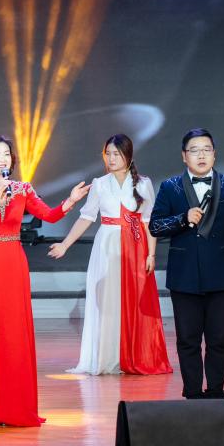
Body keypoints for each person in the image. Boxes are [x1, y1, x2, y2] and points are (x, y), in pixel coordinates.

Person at [0, 134, 90, 427]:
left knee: (11, 331)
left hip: (12, 263)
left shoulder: (22, 189)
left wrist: (70, 201)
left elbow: (49, 215)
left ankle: (11, 406)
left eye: (6, 154)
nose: (3, 159)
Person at [49, 134, 171, 376]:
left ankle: (134, 355)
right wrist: (64, 244)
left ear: (129, 156)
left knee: (134, 302)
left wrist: (151, 255)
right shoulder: (100, 184)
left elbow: (149, 222)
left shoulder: (143, 184)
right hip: (107, 245)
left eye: (117, 154)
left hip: (135, 247)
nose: (112, 159)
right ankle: (108, 358)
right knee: (107, 302)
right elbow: (86, 217)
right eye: (108, 154)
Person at [149, 129, 224, 400]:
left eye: (206, 149)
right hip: (184, 275)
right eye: (194, 150)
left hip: (221, 274)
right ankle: (192, 393)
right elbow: (155, 226)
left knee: (219, 339)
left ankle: (216, 391)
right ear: (184, 156)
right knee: (188, 339)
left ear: (214, 154)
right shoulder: (170, 187)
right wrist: (183, 219)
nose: (201, 155)